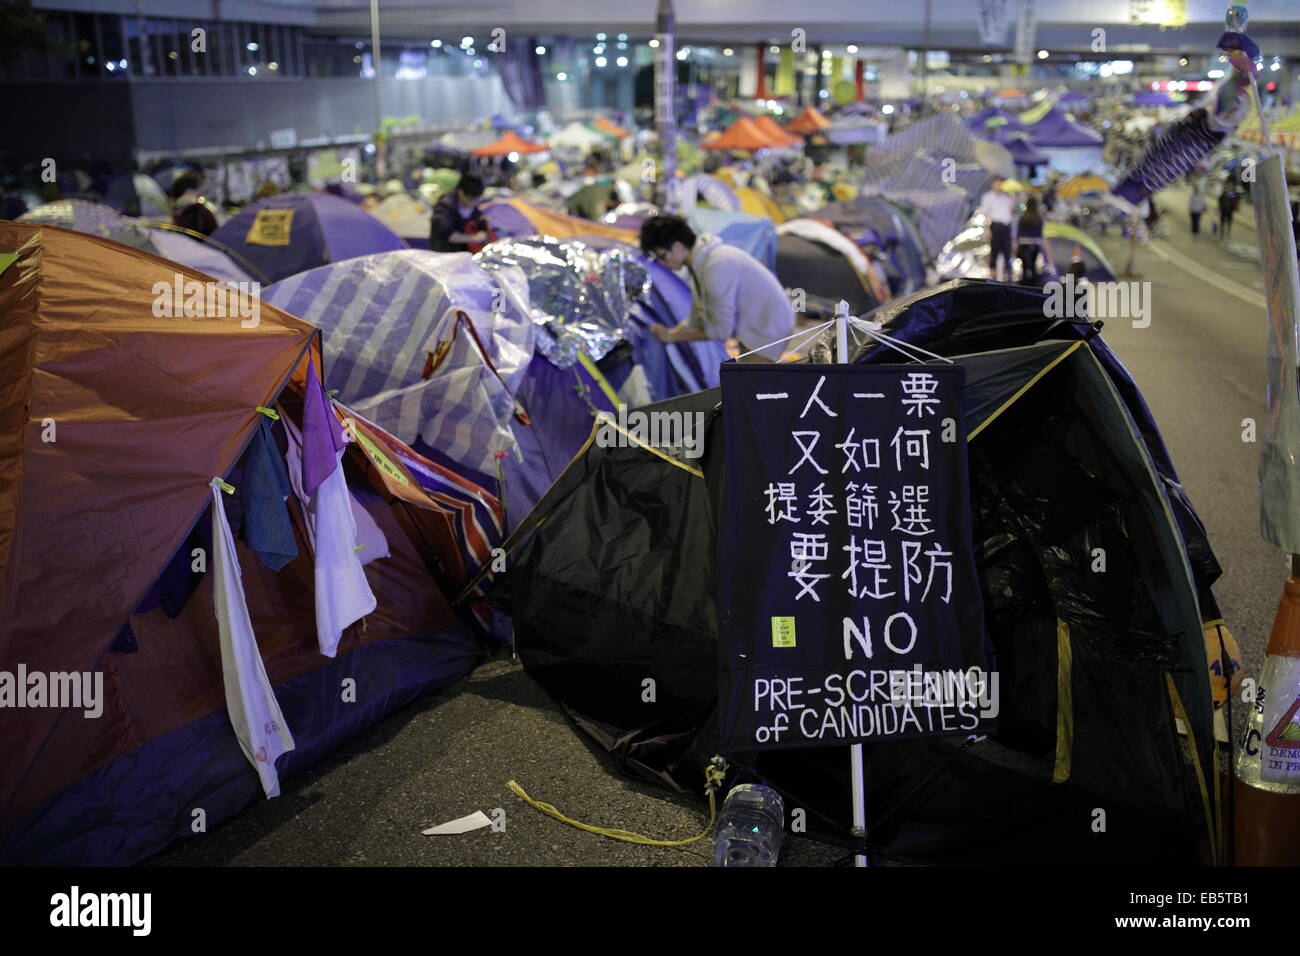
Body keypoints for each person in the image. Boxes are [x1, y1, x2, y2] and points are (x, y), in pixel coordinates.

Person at [639, 215, 795, 362]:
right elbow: (697, 316)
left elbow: (722, 331)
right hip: (757, 325)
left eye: (662, 256)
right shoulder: (699, 262)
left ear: (678, 247)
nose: (663, 263)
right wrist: (671, 332)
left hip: (768, 330)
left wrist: (672, 337)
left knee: (749, 385)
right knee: (742, 378)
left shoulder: (717, 265)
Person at [429, 172, 487, 252]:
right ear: (461, 191)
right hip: (444, 254)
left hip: (462, 253)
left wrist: (482, 227)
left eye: (477, 199)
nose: (475, 202)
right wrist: (474, 238)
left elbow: (478, 219)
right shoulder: (444, 207)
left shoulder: (470, 203)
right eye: (471, 199)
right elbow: (447, 235)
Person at [979, 177, 1015, 282]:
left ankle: (1008, 276)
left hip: (1006, 226)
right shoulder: (988, 197)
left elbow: (1012, 213)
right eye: (997, 183)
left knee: (1007, 251)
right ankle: (993, 276)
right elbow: (985, 215)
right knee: (994, 251)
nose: (999, 186)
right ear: (993, 184)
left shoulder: (1007, 197)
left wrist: (1013, 201)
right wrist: (987, 229)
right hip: (995, 226)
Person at [1016, 195, 1046, 286]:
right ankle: (1033, 288)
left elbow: (1019, 233)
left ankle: (1023, 287)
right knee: (1033, 267)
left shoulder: (1023, 217)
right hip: (1035, 245)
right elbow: (1040, 234)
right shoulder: (1039, 219)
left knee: (1024, 268)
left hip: (1023, 245)